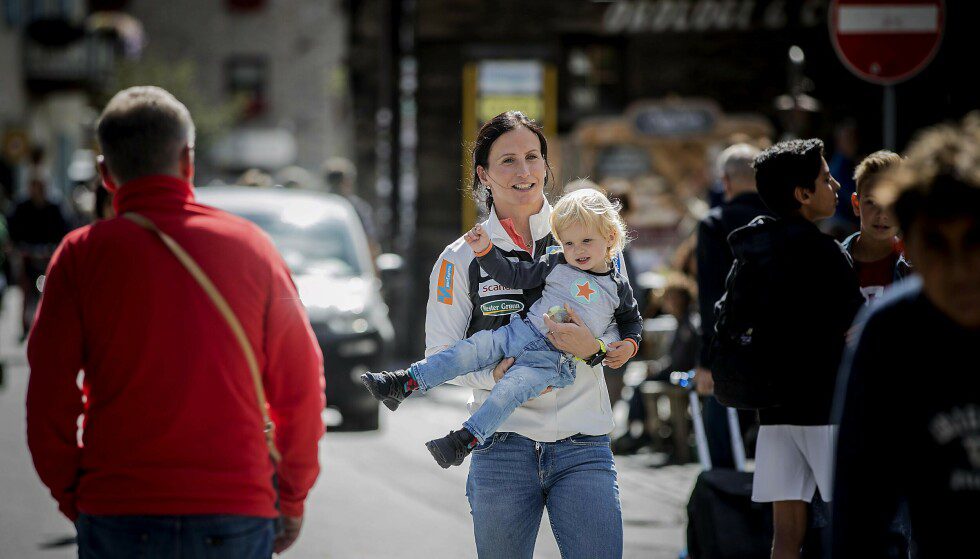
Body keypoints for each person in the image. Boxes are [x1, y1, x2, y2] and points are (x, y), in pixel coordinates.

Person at [25, 86, 325, 559]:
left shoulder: (80, 256)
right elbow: (302, 388)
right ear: (187, 160)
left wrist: (75, 497)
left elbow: (47, 399)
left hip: (118, 509)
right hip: (235, 510)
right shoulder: (254, 248)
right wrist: (290, 494)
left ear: (106, 174)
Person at [415, 110, 627, 557]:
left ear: (548, 168)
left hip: (583, 445)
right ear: (484, 174)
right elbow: (442, 354)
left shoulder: (595, 237)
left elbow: (620, 332)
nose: (524, 171)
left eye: (533, 157)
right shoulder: (458, 258)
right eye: (508, 160)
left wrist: (597, 349)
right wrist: (495, 375)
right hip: (502, 451)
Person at [362, 188, 642, 467]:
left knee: (508, 391)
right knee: (468, 351)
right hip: (519, 332)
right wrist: (485, 252)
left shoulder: (617, 287)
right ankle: (403, 382)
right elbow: (514, 275)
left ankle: (463, 440)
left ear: (611, 238)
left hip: (551, 361)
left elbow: (631, 322)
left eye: (585, 241)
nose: (576, 250)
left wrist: (629, 345)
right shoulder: (556, 261)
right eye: (568, 243)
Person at [832, 113, 980, 557]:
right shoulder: (891, 332)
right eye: (937, 245)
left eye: (974, 242)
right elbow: (859, 505)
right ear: (911, 245)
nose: (957, 270)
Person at [739, 139, 864, 559]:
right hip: (826, 408)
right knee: (853, 525)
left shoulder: (754, 250)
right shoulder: (826, 252)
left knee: (786, 535)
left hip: (774, 412)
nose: (836, 186)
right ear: (803, 194)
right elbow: (856, 325)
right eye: (826, 180)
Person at [694, 143, 769, 468]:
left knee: (723, 450)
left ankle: (728, 512)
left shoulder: (715, 224)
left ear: (725, 182)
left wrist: (705, 360)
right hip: (776, 346)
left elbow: (710, 295)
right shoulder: (776, 220)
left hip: (729, 346)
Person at [841, 150, 912, 304]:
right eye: (871, 202)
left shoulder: (916, 265)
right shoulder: (834, 263)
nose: (882, 214)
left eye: (891, 203)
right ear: (856, 204)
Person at [7, 177, 70, 340]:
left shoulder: (54, 208)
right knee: (26, 290)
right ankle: (25, 325)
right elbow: (13, 231)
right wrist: (18, 248)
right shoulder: (22, 207)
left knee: (50, 289)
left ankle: (50, 323)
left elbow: (64, 229)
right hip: (27, 256)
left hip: (47, 255)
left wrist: (55, 247)